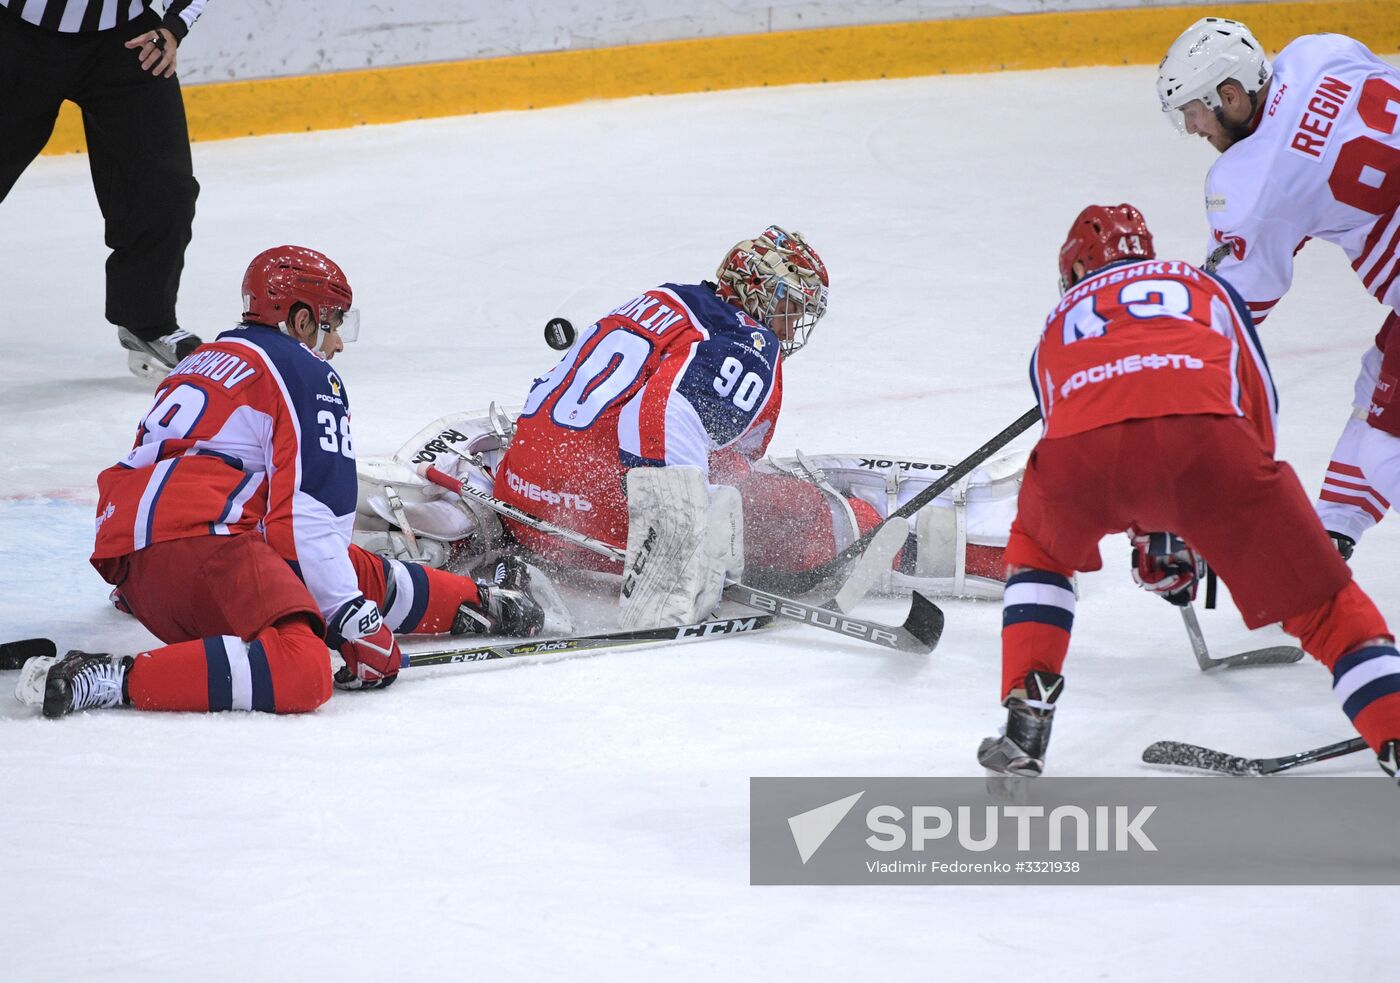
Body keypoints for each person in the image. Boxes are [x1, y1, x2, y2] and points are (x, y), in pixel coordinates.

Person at [16, 245, 543, 719]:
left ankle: (476, 602)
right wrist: (352, 621)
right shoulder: (305, 371)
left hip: (138, 573)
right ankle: (111, 678)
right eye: (332, 321)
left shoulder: (201, 360)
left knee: (328, 567)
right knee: (303, 667)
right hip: (199, 551)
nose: (337, 341)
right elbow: (314, 517)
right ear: (298, 318)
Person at [976, 204, 1400, 782]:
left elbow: (1077, 434)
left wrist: (1152, 534)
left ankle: (1026, 716)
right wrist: (1200, 524)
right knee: (1324, 607)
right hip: (1210, 447)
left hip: (1081, 458)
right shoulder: (1205, 287)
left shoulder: (1058, 319)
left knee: (1040, 551)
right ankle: (1394, 730)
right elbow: (1256, 402)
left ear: (1075, 270)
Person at [1156, 17, 1400, 558]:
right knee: (1380, 382)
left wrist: (1173, 343)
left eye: (1195, 112)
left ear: (1231, 96)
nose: (1194, 128)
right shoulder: (1321, 52)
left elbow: (1237, 311)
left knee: (1388, 453)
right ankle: (1333, 532)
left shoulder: (1249, 183)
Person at [0, 0, 207, 380]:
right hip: (16, 33)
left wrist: (175, 25)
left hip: (128, 41)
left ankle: (147, 321)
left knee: (164, 187)